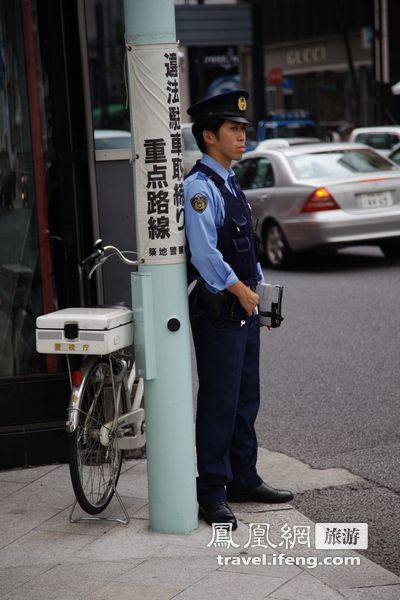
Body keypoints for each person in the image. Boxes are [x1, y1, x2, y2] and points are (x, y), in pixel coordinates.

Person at [184, 90, 293, 530]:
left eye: (244, 129)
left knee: (246, 399)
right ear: (209, 136)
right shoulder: (200, 188)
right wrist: (241, 292)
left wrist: (259, 296)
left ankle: (243, 478)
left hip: (244, 308)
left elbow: (246, 249)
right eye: (233, 129)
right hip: (219, 309)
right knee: (219, 402)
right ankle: (211, 492)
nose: (242, 136)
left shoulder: (230, 181)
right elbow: (206, 255)